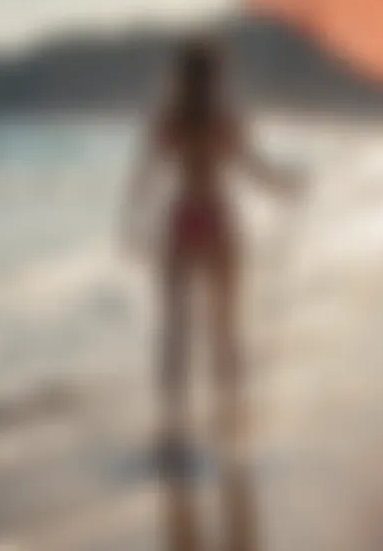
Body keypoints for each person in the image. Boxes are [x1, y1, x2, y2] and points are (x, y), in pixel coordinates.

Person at [122, 33, 298, 551]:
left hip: (183, 220)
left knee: (174, 333)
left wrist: (130, 218)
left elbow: (144, 174)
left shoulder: (168, 119)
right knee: (226, 331)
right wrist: (286, 184)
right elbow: (252, 167)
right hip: (219, 219)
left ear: (179, 74)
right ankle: (231, 424)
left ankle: (172, 429)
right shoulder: (225, 117)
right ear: (216, 75)